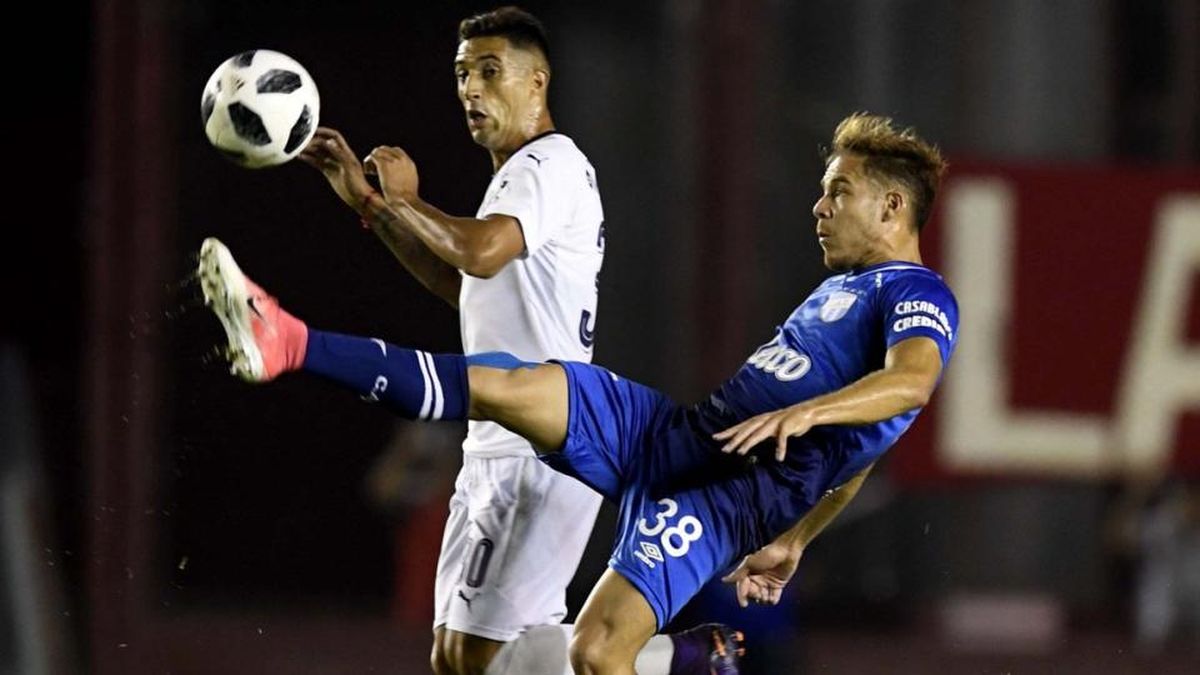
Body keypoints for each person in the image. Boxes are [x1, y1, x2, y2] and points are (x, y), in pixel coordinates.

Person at [198, 111, 955, 674]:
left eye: (839, 192)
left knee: (595, 655)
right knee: (505, 385)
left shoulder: (919, 293)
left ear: (892, 207)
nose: (820, 207)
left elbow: (911, 382)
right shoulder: (844, 290)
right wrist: (797, 540)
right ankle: (287, 342)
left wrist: (809, 413)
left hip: (717, 499)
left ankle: (676, 663)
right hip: (674, 433)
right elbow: (866, 445)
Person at [293, 6, 740, 674]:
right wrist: (369, 205)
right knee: (458, 658)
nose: (471, 88)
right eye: (462, 73)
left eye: (490, 71)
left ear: (538, 82)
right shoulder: (519, 174)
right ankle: (677, 657)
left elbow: (481, 251)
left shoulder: (549, 164)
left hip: (538, 442)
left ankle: (678, 659)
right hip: (502, 442)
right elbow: (462, 281)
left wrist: (407, 200)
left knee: (474, 655)